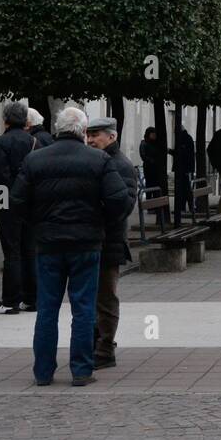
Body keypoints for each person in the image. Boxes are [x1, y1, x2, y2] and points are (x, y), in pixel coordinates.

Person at [11, 107, 133, 387]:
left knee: (47, 309)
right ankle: (81, 370)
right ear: (81, 130)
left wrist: (39, 224)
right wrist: (98, 222)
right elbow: (120, 202)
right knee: (83, 307)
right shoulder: (99, 160)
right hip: (86, 244)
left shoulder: (35, 160)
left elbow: (17, 202)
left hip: (49, 244)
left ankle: (43, 372)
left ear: (58, 128)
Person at [86, 117, 138, 370]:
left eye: (96, 135)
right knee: (97, 297)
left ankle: (105, 348)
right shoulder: (98, 161)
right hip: (97, 239)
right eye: (88, 135)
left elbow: (125, 205)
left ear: (112, 137)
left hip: (110, 241)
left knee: (106, 298)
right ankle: (98, 343)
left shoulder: (120, 165)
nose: (91, 140)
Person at [0, 101, 39, 314]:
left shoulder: (1, 142)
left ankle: (10, 301)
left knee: (12, 252)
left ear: (6, 119)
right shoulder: (34, 141)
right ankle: (32, 299)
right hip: (31, 203)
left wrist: (0, 206)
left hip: (8, 202)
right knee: (30, 250)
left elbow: (1, 177)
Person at [140, 127, 168, 224]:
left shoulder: (155, 144)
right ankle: (150, 207)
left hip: (156, 169)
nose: (154, 136)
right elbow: (143, 155)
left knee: (156, 187)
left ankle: (156, 206)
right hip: (149, 168)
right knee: (149, 186)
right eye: (153, 134)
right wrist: (151, 161)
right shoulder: (144, 143)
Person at [170, 124, 196, 225]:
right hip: (186, 168)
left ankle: (186, 207)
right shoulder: (187, 138)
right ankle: (185, 207)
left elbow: (181, 154)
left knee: (185, 189)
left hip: (184, 168)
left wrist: (171, 151)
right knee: (185, 189)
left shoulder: (184, 139)